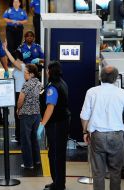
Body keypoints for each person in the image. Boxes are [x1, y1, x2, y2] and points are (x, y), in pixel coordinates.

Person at [80, 65, 124, 190]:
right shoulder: (122, 93)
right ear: (116, 78)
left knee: (98, 173)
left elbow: (84, 115)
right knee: (115, 172)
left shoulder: (91, 92)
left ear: (100, 77)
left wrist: (85, 132)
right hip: (116, 136)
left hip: (97, 136)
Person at [37, 61, 71, 190]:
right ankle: (57, 182)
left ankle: (58, 185)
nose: (46, 72)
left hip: (56, 124)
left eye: (47, 70)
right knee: (57, 154)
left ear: (50, 72)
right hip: (62, 122)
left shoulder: (53, 87)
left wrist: (42, 124)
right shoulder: (61, 82)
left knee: (55, 155)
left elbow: (50, 107)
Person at [17, 64, 42, 168]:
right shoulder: (39, 83)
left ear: (31, 74)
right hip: (36, 114)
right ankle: (37, 160)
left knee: (26, 140)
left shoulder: (26, 85)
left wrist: (18, 109)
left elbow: (20, 99)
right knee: (34, 138)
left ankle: (28, 164)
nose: (24, 75)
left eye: (25, 73)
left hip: (26, 115)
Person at [3, 40, 25, 143]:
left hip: (21, 93)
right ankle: (18, 135)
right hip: (17, 92)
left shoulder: (21, 66)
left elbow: (12, 60)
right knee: (18, 115)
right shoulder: (19, 68)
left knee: (19, 115)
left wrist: (5, 49)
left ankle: (20, 137)